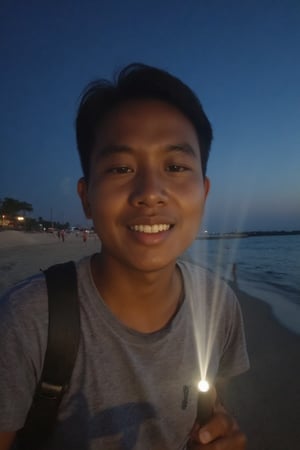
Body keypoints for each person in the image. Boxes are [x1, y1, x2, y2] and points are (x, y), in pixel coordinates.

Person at [0, 63, 249, 450]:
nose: (150, 192)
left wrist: (220, 431)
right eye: (120, 167)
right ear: (86, 197)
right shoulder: (26, 321)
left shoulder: (219, 307)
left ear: (203, 191)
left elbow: (212, 406)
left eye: (175, 167)